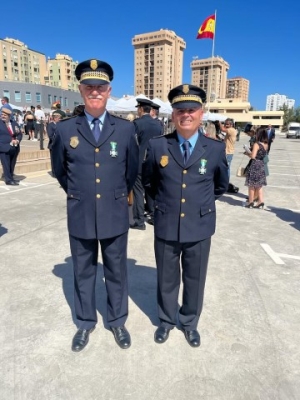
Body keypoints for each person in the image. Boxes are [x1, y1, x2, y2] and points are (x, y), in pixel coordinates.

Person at [52, 59, 139, 352]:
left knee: (116, 270)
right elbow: (61, 172)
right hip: (81, 212)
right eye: (89, 86)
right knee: (83, 271)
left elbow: (131, 172)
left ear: (109, 90)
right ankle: (85, 323)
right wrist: (81, 193)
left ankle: (117, 320)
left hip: (114, 212)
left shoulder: (126, 130)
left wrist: (115, 195)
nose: (95, 91)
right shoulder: (64, 131)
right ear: (81, 90)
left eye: (100, 87)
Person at [142, 84, 229, 347]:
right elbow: (149, 182)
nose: (186, 114)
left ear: (201, 113)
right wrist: (166, 206)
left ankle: (189, 322)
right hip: (167, 223)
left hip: (199, 226)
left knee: (195, 279)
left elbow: (220, 185)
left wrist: (196, 205)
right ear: (173, 114)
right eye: (180, 109)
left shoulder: (214, 149)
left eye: (191, 109)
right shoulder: (158, 146)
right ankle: (167, 321)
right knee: (166, 279)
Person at [130, 98, 163, 229]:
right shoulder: (158, 124)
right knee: (151, 190)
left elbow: (131, 143)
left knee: (138, 192)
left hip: (139, 162)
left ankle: (139, 221)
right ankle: (154, 216)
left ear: (141, 109)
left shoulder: (137, 123)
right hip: (154, 162)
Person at [244, 127, 268, 208]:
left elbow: (253, 156)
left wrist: (247, 153)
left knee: (251, 184)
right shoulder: (266, 144)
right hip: (261, 164)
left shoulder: (256, 144)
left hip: (255, 165)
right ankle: (261, 201)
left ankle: (250, 201)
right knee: (259, 185)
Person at [0, 108, 22, 185]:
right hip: (4, 147)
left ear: (9, 116)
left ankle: (11, 177)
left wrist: (17, 140)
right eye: (2, 114)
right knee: (6, 164)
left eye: (5, 115)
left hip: (15, 147)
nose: (3, 116)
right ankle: (8, 180)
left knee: (12, 164)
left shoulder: (14, 123)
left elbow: (19, 134)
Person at [47, 112, 62, 177]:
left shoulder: (60, 124)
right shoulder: (50, 125)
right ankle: (54, 173)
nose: (60, 119)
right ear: (55, 118)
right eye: (59, 118)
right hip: (53, 145)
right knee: (54, 160)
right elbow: (50, 135)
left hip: (60, 145)